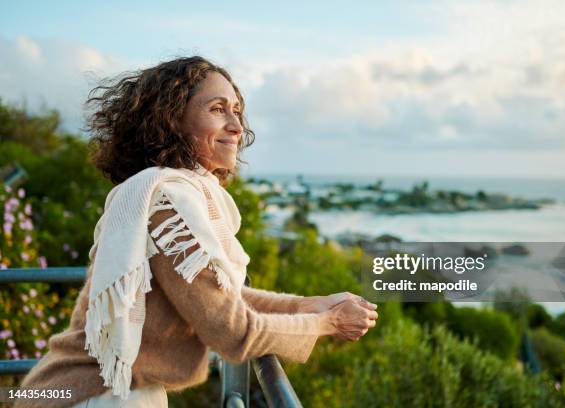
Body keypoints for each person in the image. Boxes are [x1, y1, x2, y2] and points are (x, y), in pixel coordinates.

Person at [16, 56, 377, 408]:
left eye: (237, 110)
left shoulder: (161, 193)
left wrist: (306, 305)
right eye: (218, 109)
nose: (237, 126)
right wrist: (327, 322)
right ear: (172, 120)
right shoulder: (168, 203)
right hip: (98, 397)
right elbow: (232, 331)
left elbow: (214, 296)